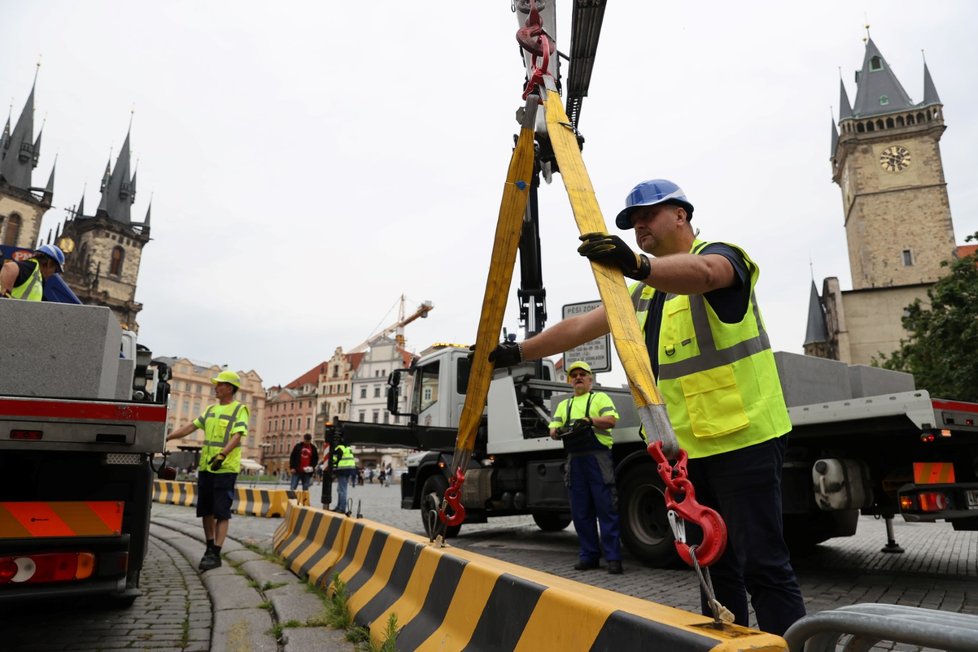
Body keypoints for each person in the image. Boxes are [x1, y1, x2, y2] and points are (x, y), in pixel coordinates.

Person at [487, 179, 806, 635]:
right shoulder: (641, 294)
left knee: (764, 566)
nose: (640, 227)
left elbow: (709, 274)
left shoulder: (724, 254)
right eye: (633, 224)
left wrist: (638, 264)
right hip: (685, 453)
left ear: (680, 214)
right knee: (711, 567)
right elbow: (579, 326)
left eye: (648, 216)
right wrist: (519, 353)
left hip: (745, 440)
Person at [166, 369, 250, 572]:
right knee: (206, 510)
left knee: (221, 511)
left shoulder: (240, 409)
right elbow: (189, 428)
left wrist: (222, 455)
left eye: (219, 384)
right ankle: (210, 546)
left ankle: (216, 553)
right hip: (206, 467)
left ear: (229, 388)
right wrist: (167, 438)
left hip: (225, 467)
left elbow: (238, 435)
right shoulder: (211, 410)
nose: (216, 387)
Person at [549, 361, 623, 574]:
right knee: (580, 511)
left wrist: (589, 420)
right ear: (570, 380)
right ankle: (589, 556)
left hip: (597, 459)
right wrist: (559, 430)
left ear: (591, 380)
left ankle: (613, 558)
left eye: (583, 374)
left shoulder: (600, 398)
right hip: (575, 460)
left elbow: (610, 420)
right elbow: (553, 430)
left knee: (606, 508)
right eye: (575, 375)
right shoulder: (564, 405)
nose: (578, 377)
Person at [0, 244, 65, 300]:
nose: (53, 274)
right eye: (55, 270)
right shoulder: (31, 268)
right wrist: (5, 299)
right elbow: (9, 267)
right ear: (49, 263)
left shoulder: (38, 278)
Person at [331, 437, 356, 512]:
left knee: (342, 490)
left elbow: (335, 461)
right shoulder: (348, 448)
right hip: (349, 469)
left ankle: (341, 508)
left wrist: (333, 472)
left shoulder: (339, 448)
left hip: (342, 470)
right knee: (340, 489)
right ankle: (339, 506)